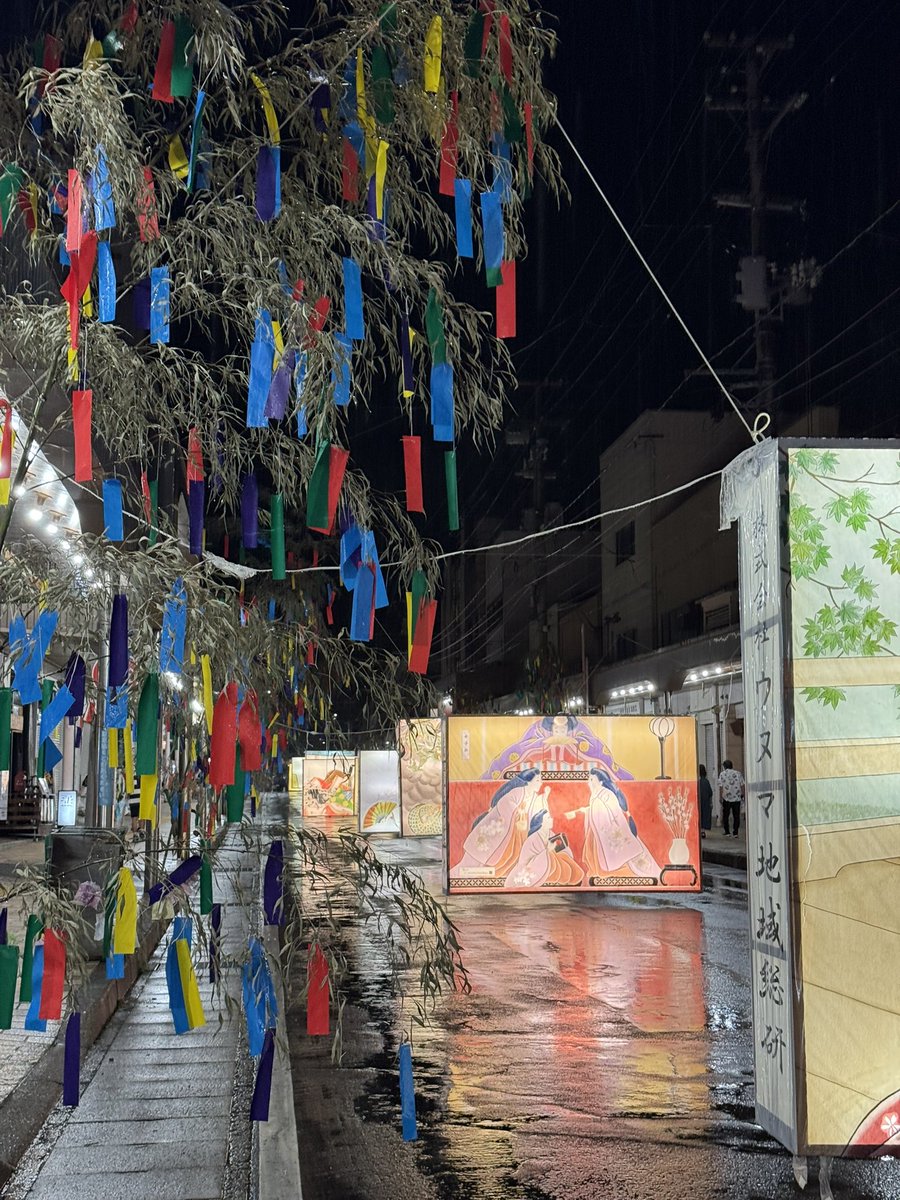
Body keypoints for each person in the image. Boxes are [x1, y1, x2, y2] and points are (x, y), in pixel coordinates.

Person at [566, 768, 661, 882]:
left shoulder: (608, 795)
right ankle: (598, 870)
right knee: (593, 851)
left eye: (592, 779)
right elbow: (594, 810)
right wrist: (583, 810)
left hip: (609, 830)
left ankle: (612, 871)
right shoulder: (595, 795)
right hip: (597, 830)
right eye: (589, 779)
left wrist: (593, 809)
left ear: (600, 782)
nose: (589, 782)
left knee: (624, 859)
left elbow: (613, 814)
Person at [451, 769, 545, 878]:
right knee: (470, 863)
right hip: (492, 830)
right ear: (528, 781)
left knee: (483, 864)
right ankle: (453, 877)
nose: (541, 782)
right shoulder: (518, 792)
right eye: (538, 780)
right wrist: (520, 815)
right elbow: (505, 804)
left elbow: (530, 815)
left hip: (505, 836)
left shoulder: (532, 797)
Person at [718, 759, 745, 837]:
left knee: (726, 815)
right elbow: (742, 785)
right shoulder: (738, 773)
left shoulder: (722, 774)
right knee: (736, 815)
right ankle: (735, 832)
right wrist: (742, 794)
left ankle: (727, 831)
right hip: (737, 797)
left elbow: (721, 787)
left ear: (724, 767)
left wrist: (720, 797)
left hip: (726, 797)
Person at [698, 764, 713, 838]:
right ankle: (702, 831)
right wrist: (711, 802)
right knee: (705, 816)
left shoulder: (697, 781)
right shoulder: (706, 781)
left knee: (699, 816)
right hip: (706, 801)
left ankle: (699, 831)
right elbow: (710, 793)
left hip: (698, 801)